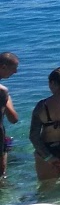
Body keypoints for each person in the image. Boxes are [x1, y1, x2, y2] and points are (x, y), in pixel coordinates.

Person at [0, 51, 17, 181]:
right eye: (14, 68)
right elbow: (13, 119)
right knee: (1, 175)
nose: (15, 72)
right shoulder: (2, 91)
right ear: (3, 67)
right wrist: (6, 99)